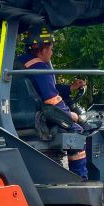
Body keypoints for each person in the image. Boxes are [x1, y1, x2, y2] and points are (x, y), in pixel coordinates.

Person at [16, 25, 89, 179]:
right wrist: (72, 116)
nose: (52, 52)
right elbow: (52, 101)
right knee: (77, 130)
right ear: (43, 49)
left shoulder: (19, 64)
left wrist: (70, 88)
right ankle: (80, 178)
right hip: (39, 120)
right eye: (51, 48)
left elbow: (43, 89)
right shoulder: (40, 68)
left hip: (20, 117)